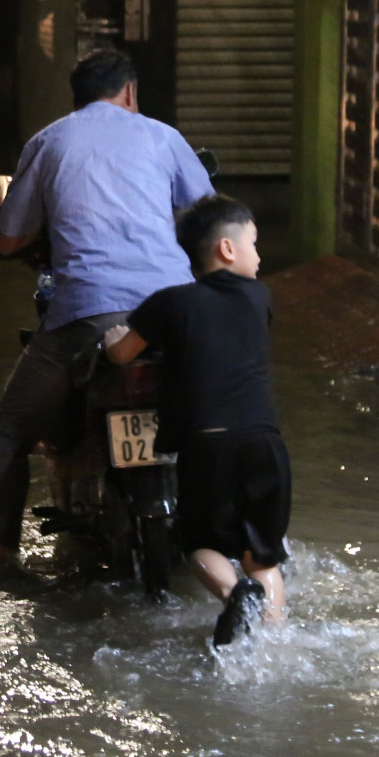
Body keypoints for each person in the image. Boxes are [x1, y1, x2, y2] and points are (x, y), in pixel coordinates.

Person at [0, 48, 213, 571]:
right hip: (174, 313)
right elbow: (208, 219)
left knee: (8, 435)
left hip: (87, 313)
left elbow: (10, 235)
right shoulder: (163, 136)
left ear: (76, 97)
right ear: (130, 93)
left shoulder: (50, 139)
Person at [105, 194, 288, 647]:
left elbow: (121, 353)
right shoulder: (260, 297)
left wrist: (112, 339)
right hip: (265, 443)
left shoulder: (168, 303)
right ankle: (273, 643)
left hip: (208, 445)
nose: (259, 255)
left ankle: (233, 594)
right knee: (263, 558)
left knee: (199, 545)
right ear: (228, 250)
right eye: (254, 243)